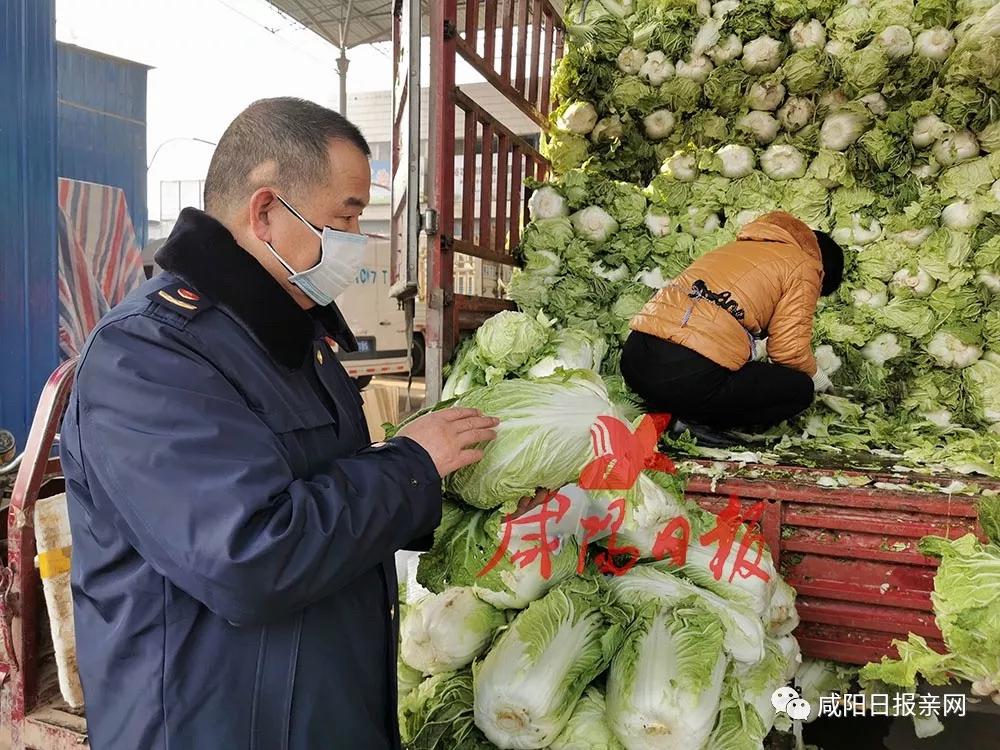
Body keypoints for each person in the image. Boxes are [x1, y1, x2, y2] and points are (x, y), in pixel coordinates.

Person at [60, 97, 500, 749]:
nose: (357, 240)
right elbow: (249, 558)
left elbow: (328, 495)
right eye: (345, 217)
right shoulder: (150, 353)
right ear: (266, 212)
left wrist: (458, 500)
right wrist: (411, 466)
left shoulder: (292, 339)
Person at [621, 211, 845, 447]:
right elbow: (788, 351)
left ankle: (669, 407)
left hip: (636, 361)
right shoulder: (806, 266)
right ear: (822, 274)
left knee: (718, 375)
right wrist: (818, 378)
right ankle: (692, 422)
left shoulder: (739, 247)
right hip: (687, 376)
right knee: (799, 390)